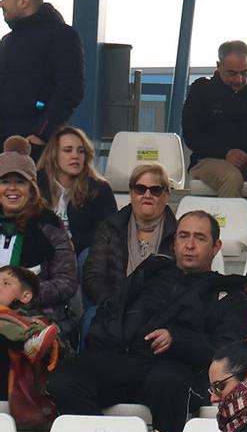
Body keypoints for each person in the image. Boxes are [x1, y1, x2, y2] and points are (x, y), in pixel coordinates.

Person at [50, 210, 247, 432]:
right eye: (183, 236)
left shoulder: (230, 296)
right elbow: (109, 311)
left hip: (177, 369)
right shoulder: (150, 274)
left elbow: (227, 352)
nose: (190, 245)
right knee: (63, 379)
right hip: (122, 359)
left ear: (216, 246)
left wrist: (177, 340)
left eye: (199, 238)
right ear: (174, 243)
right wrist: (110, 335)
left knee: (168, 382)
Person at [181, 42, 247, 221]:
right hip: (209, 160)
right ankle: (234, 228)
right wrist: (225, 153)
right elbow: (192, 135)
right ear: (218, 66)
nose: (239, 79)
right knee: (231, 176)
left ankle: (236, 224)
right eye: (232, 73)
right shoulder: (201, 89)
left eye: (244, 73)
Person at [0, 138, 79, 318]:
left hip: (34, 314)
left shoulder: (50, 225)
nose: (12, 188)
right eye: (4, 181)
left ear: (32, 188)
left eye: (20, 181)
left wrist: (23, 293)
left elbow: (67, 282)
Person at [0, 0, 83, 148]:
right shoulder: (8, 40)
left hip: (34, 142)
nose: (1, 3)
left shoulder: (62, 36)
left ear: (24, 1)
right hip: (5, 140)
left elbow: (70, 88)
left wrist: (42, 133)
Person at [83, 163, 176, 312]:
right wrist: (114, 305)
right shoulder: (109, 228)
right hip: (114, 307)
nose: (147, 195)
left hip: (161, 312)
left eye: (155, 190)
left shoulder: (179, 234)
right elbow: (94, 277)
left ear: (166, 195)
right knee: (91, 317)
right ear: (131, 193)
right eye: (140, 189)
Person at [34, 126, 115, 267]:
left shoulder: (99, 189)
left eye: (81, 151)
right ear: (54, 155)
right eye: (67, 150)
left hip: (80, 253)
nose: (75, 156)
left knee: (93, 256)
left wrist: (70, 246)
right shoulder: (36, 185)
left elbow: (106, 231)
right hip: (41, 251)